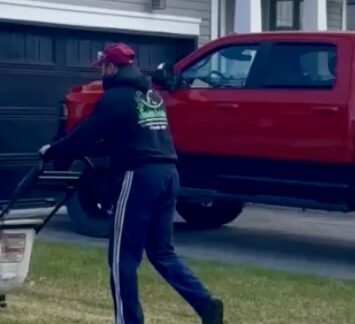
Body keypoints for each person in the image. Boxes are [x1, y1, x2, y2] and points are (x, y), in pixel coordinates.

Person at [40, 42, 224, 324]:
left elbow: (86, 134)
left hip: (139, 176)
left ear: (112, 67)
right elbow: (126, 134)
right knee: (162, 252)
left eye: (102, 66)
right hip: (168, 174)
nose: (101, 71)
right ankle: (205, 304)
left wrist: (54, 151)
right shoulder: (151, 96)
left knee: (122, 257)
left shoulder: (115, 98)